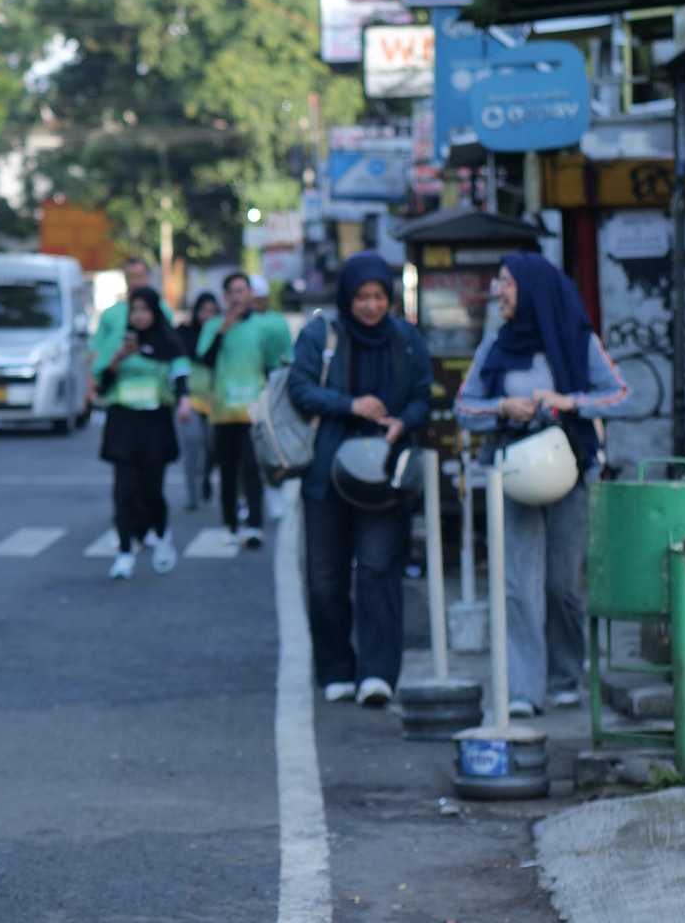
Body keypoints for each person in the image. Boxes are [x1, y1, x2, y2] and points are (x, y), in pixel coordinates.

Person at [455, 252, 628, 716]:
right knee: (518, 586)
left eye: (507, 282)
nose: (499, 291)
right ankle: (523, 691)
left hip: (568, 472)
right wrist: (501, 408)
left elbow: (621, 395)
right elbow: (464, 407)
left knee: (562, 583)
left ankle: (566, 676)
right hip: (514, 473)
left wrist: (568, 402)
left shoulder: (578, 340)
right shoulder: (495, 344)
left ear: (532, 289)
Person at [287, 252, 433, 707]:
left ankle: (378, 672)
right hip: (326, 475)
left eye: (378, 296)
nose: (370, 306)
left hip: (384, 476)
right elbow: (299, 388)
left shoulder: (406, 339)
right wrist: (350, 405)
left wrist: (402, 422)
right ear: (347, 297)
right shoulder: (322, 335)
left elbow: (423, 396)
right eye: (362, 297)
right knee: (325, 578)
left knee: (377, 570)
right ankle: (335, 668)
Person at [195, 269, 291, 549]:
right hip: (223, 411)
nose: (237, 297)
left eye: (242, 291)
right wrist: (223, 329)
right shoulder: (213, 326)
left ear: (250, 294)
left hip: (253, 410)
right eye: (232, 292)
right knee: (227, 470)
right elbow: (205, 360)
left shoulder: (262, 327)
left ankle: (254, 525)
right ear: (225, 297)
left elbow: (273, 365)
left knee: (252, 467)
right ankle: (229, 524)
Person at [97, 285, 187, 580]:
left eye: (144, 310)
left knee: (151, 491)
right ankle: (125, 552)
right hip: (123, 423)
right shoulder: (119, 343)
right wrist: (117, 359)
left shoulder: (168, 343)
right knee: (123, 490)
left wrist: (184, 401)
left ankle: (160, 534)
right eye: (134, 310)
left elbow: (180, 377)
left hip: (155, 424)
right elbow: (102, 385)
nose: (139, 316)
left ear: (155, 312)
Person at [175, 289, 219, 512]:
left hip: (216, 400)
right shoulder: (183, 333)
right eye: (203, 311)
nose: (207, 316)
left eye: (212, 311)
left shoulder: (221, 333)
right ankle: (192, 494)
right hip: (190, 398)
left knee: (211, 447)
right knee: (192, 444)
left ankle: (206, 478)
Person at [89, 254, 154, 392]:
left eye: (139, 276)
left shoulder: (163, 312)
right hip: (116, 391)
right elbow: (95, 351)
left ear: (148, 277)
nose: (135, 282)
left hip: (155, 395)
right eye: (131, 277)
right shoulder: (110, 314)